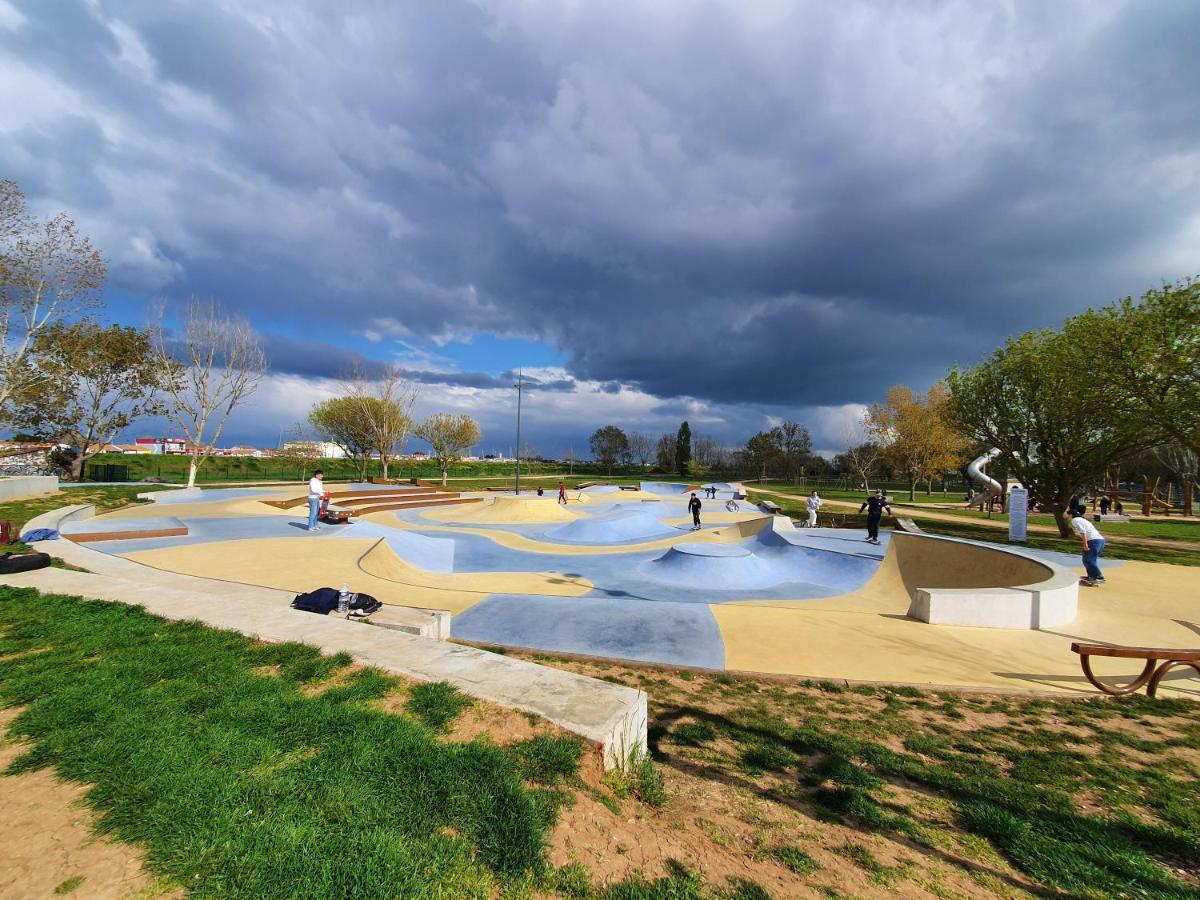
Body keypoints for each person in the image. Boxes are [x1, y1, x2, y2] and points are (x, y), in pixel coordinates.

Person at [1071, 509, 1106, 586]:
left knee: (1088, 559)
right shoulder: (1083, 520)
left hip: (1093, 541)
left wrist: (1085, 544)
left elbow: (1082, 531)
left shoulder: (1074, 520)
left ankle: (1099, 577)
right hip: (1100, 540)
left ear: (1070, 514)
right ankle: (1092, 576)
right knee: (1088, 559)